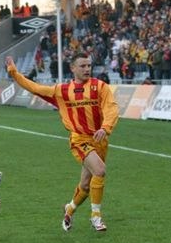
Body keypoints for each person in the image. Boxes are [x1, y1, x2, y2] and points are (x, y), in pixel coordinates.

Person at [6, 53, 119, 232]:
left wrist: (105, 128)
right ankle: (96, 216)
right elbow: (34, 87)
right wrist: (14, 72)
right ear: (73, 68)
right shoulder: (62, 91)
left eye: (89, 65)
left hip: (100, 139)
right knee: (100, 170)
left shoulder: (100, 87)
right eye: (82, 66)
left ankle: (69, 209)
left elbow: (111, 108)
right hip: (80, 139)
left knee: (85, 185)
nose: (87, 69)